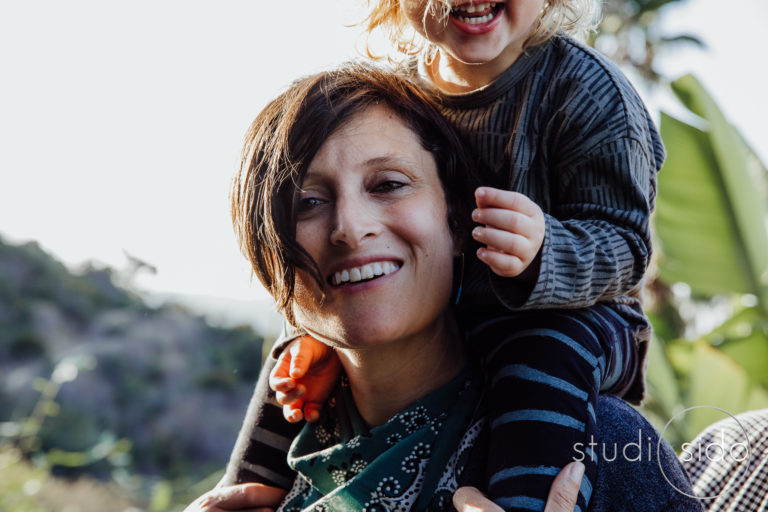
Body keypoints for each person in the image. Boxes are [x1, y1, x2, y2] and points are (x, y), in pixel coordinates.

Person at [223, 1, 664, 510]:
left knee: (540, 352)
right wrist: (307, 331)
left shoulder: (586, 90)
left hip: (579, 317)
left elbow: (628, 245)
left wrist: (547, 250)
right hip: (466, 315)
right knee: (295, 364)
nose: (350, 228)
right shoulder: (399, 95)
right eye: (309, 202)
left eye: (388, 184)